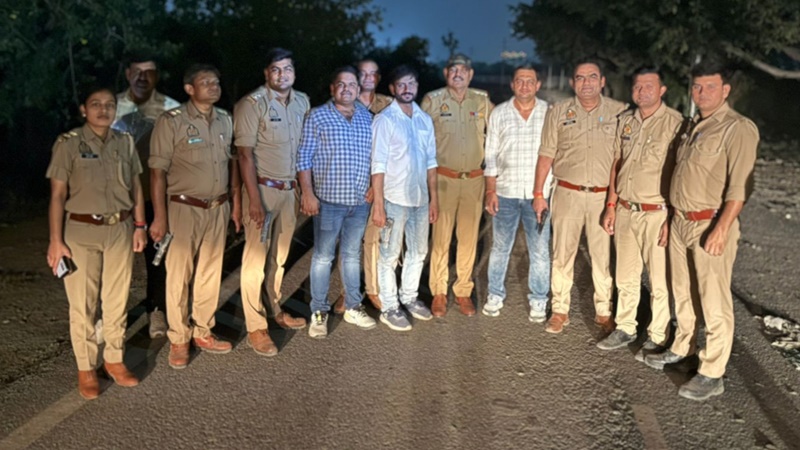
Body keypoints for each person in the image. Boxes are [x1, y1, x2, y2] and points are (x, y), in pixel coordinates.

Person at [645, 61, 758, 401]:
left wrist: (722, 228)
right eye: (697, 87)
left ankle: (712, 372)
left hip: (710, 223)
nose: (702, 93)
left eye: (710, 86)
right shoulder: (693, 126)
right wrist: (671, 218)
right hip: (681, 221)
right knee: (683, 292)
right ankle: (683, 349)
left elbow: (740, 187)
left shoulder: (737, 128)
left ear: (726, 90)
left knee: (713, 298)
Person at [46, 86, 146, 399]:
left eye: (109, 105)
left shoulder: (125, 142)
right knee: (83, 304)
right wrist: (55, 241)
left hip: (120, 228)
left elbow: (136, 187)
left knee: (117, 299)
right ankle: (86, 367)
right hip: (81, 230)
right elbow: (58, 195)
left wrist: (140, 226)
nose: (103, 110)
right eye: (96, 104)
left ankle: (114, 359)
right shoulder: (69, 143)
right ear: (83, 109)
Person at [149, 64, 242, 369]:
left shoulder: (225, 119)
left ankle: (203, 330)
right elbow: (157, 173)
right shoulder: (172, 121)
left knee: (210, 272)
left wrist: (235, 203)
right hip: (183, 208)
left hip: (218, 207)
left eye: (216, 82)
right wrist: (160, 218)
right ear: (189, 89)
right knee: (179, 274)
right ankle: (179, 338)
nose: (214, 86)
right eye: (206, 82)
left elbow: (231, 164)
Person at [533, 59, 626, 334]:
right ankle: (560, 310)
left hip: (602, 197)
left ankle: (604, 312)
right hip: (567, 193)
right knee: (562, 254)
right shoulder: (558, 112)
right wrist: (538, 193)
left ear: (602, 81)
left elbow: (621, 160)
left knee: (602, 257)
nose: (587, 83)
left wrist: (613, 201)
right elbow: (546, 154)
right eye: (580, 78)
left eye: (592, 77)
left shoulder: (620, 113)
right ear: (572, 83)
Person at [596, 67, 683, 359]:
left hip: (657, 212)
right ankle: (625, 327)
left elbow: (680, 173)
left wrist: (672, 217)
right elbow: (617, 164)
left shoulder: (676, 124)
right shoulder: (626, 121)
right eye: (637, 87)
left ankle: (658, 336)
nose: (642, 91)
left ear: (662, 90)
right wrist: (611, 205)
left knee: (659, 280)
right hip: (625, 210)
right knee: (626, 275)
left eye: (649, 86)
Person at [234, 48, 309, 356]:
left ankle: (274, 308)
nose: (282, 74)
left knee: (278, 257)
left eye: (287, 68)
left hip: (289, 191)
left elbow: (305, 149)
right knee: (255, 260)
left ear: (294, 72)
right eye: (276, 69)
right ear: (267, 73)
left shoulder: (302, 102)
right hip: (263, 191)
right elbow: (244, 156)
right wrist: (253, 200)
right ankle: (256, 327)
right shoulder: (252, 104)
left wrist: (305, 190)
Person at [297, 66, 376, 338]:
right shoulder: (317, 116)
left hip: (359, 201)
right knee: (323, 256)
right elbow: (304, 158)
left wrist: (373, 186)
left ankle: (353, 305)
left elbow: (375, 158)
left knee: (352, 254)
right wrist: (307, 193)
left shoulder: (368, 118)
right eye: (341, 84)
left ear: (358, 89)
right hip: (329, 201)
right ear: (333, 88)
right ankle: (319, 311)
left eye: (352, 84)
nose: (347, 89)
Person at [112, 56, 180, 339]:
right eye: (137, 71)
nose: (142, 77)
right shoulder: (110, 106)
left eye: (148, 72)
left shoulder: (171, 108)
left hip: (155, 197)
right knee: (115, 261)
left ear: (156, 76)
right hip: (117, 199)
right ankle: (112, 318)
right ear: (128, 73)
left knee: (158, 258)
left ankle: (157, 309)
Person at [421, 53, 493, 317]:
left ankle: (463, 290)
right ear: (446, 73)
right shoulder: (432, 100)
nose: (458, 74)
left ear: (471, 74)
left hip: (474, 180)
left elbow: (499, 130)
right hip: (443, 179)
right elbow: (419, 139)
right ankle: (439, 291)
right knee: (440, 238)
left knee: (468, 238)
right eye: (453, 70)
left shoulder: (482, 100)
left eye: (463, 70)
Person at [370, 65, 438, 331]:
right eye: (401, 84)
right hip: (394, 199)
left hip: (420, 199)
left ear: (417, 87)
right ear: (392, 89)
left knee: (418, 251)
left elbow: (431, 162)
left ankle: (409, 297)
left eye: (411, 83)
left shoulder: (424, 119)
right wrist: (378, 205)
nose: (407, 89)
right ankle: (389, 307)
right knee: (389, 255)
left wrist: (433, 199)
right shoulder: (385, 120)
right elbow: (378, 165)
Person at [482, 64, 551, 322]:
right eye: (519, 80)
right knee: (500, 247)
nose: (524, 85)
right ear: (512, 84)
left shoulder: (549, 113)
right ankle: (495, 294)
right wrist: (491, 190)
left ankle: (539, 299)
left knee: (540, 250)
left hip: (539, 195)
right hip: (506, 193)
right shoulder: (499, 113)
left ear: (538, 85)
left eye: (530, 81)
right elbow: (490, 154)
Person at [331, 59, 391, 314]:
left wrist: (377, 186)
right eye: (362, 74)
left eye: (373, 74)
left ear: (378, 78)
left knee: (375, 240)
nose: (368, 78)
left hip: (380, 184)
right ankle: (348, 292)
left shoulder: (389, 105)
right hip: (349, 186)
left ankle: (374, 290)